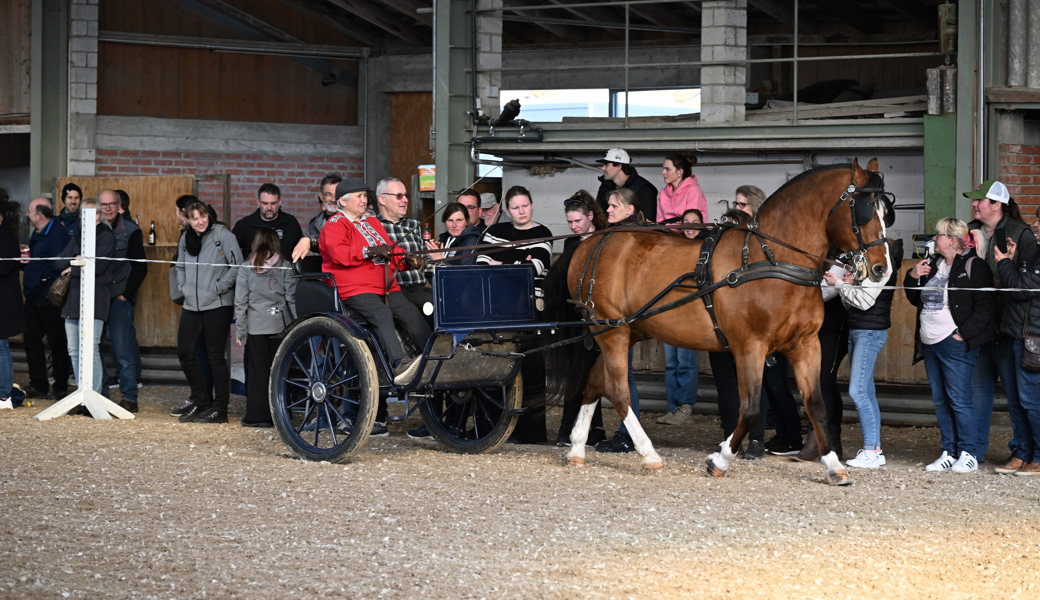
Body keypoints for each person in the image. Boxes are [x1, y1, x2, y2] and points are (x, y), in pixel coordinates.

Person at [319, 178, 432, 395]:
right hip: (355, 287)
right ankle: (399, 363)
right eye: (359, 196)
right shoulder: (335, 224)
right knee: (382, 314)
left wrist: (407, 260)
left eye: (365, 196)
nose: (364, 200)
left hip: (385, 285)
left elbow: (389, 250)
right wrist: (368, 251)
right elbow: (338, 253)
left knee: (410, 312)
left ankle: (432, 358)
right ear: (343, 201)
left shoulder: (371, 222)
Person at [905, 217, 995, 472]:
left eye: (940, 235)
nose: (935, 239)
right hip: (929, 341)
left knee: (959, 399)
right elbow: (915, 299)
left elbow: (986, 307)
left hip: (953, 342)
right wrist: (913, 276)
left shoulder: (974, 266)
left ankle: (968, 452)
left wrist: (963, 334)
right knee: (940, 400)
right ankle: (949, 451)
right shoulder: (933, 264)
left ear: (953, 240)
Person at [965, 180, 1038, 463]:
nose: (974, 204)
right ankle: (973, 451)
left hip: (1011, 326)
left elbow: (1025, 285)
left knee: (1017, 393)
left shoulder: (1021, 234)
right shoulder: (968, 231)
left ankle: (1022, 450)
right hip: (977, 324)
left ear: (997, 205)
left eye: (980, 200)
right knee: (977, 390)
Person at [478, 185, 553, 444]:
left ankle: (532, 434)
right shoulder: (495, 232)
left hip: (531, 308)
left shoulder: (542, 232)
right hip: (499, 307)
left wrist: (502, 264)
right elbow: (481, 264)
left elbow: (536, 268)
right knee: (497, 367)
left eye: (525, 206)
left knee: (531, 369)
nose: (522, 211)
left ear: (532, 205)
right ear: (508, 211)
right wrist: (519, 264)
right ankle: (495, 430)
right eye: (515, 207)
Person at [824, 236, 903, 469]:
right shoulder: (871, 267)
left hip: (869, 332)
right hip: (859, 330)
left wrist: (841, 284)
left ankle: (871, 451)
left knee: (857, 391)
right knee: (866, 392)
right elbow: (851, 303)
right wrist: (848, 284)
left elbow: (865, 301)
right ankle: (873, 449)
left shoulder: (883, 267)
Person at [174, 199, 243, 424]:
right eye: (195, 218)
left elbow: (238, 266)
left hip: (218, 304)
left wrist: (219, 287)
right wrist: (183, 288)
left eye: (203, 216)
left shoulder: (223, 235)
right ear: (188, 220)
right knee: (185, 352)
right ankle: (201, 401)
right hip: (192, 303)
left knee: (215, 356)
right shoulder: (185, 238)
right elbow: (180, 266)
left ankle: (220, 409)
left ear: (208, 215)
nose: (200, 221)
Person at [554, 191, 608, 447]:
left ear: (590, 216)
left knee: (590, 375)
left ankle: (585, 430)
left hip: (598, 315)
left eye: (578, 221)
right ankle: (578, 430)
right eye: (570, 222)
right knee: (577, 374)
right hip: (575, 316)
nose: (574, 226)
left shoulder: (604, 240)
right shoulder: (571, 243)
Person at [234, 228, 296, 428]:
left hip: (256, 327)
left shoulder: (246, 267)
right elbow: (291, 299)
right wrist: (297, 326)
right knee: (280, 372)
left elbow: (241, 302)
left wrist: (240, 330)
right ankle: (281, 416)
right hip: (280, 325)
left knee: (257, 373)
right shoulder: (285, 266)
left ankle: (256, 416)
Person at [56, 198, 116, 396]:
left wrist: (72, 267)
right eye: (85, 214)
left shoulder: (107, 237)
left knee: (91, 349)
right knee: (74, 350)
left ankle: (94, 395)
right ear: (80, 216)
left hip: (95, 299)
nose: (89, 217)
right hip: (72, 299)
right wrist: (77, 261)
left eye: (94, 213)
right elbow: (58, 263)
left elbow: (97, 267)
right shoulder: (76, 236)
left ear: (99, 216)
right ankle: (83, 393)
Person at [992, 228, 1040, 475]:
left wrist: (1004, 263)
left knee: (1030, 400)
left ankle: (1038, 456)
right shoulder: (1034, 253)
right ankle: (1022, 453)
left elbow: (1021, 288)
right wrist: (1011, 261)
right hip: (1015, 333)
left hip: (1033, 337)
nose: (1036, 226)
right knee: (1016, 400)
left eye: (1039, 221)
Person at [99, 189, 147, 413]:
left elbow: (140, 267)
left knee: (122, 349)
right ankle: (99, 395)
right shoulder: (92, 228)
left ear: (119, 206)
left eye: (112, 204)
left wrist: (125, 294)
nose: (107, 208)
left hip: (118, 297)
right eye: (103, 204)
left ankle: (129, 397)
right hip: (97, 296)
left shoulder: (131, 231)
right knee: (94, 349)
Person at [20, 197, 72, 400]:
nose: (27, 214)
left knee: (57, 342)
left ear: (39, 215)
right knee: (31, 340)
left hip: (49, 298)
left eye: (29, 211)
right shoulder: (37, 233)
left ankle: (60, 386)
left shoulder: (57, 234)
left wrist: (44, 283)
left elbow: (59, 264)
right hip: (33, 297)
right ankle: (39, 384)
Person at [657, 208, 704, 425]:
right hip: (671, 310)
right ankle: (672, 407)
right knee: (671, 363)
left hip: (690, 312)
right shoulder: (674, 247)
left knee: (686, 362)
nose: (690, 226)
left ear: (701, 225)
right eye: (686, 222)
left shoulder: (704, 248)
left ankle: (685, 407)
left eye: (695, 222)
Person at [374, 177, 430, 313]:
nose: (405, 200)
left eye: (406, 195)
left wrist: (438, 263)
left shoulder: (414, 225)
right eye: (399, 196)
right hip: (392, 291)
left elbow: (426, 260)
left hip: (418, 289)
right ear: (382, 199)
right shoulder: (371, 227)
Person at [232, 183, 303, 263]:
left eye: (273, 203)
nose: (269, 208)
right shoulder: (244, 225)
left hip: (285, 270)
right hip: (253, 270)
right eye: (265, 203)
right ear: (258, 202)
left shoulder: (290, 222)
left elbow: (301, 251)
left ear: (280, 202)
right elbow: (231, 254)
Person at [0, 202, 23, 409]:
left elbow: (5, 266)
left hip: (4, 303)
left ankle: (4, 395)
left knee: (1, 346)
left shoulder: (7, 238)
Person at [595, 148, 658, 222]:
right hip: (610, 229)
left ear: (619, 166)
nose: (603, 168)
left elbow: (647, 222)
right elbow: (598, 214)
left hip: (633, 229)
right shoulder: (605, 185)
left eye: (606, 165)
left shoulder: (644, 189)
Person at [424, 201, 481, 266]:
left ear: (467, 221)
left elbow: (466, 271)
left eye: (459, 220)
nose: (454, 225)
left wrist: (440, 259)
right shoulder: (445, 240)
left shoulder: (471, 241)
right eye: (450, 220)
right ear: (445, 222)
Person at [657, 154, 707, 226]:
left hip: (688, 232)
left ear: (679, 172)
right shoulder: (663, 193)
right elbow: (659, 220)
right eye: (663, 168)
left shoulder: (693, 190)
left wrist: (664, 226)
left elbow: (690, 221)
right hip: (666, 231)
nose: (663, 172)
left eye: (667, 169)